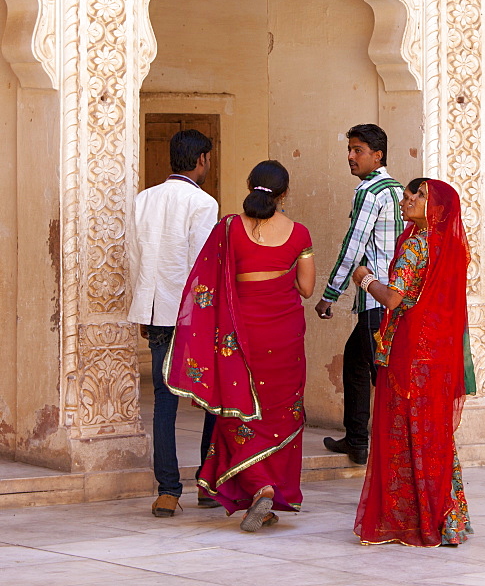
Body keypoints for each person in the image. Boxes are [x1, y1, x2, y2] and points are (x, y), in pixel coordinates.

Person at [165, 160, 315, 532]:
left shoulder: (229, 227)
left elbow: (210, 281)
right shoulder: (299, 233)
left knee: (237, 409)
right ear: (285, 193)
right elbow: (307, 288)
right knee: (279, 413)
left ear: (250, 185)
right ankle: (271, 489)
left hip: (239, 335)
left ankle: (258, 487)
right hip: (284, 338)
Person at [352, 178, 476, 547]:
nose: (406, 199)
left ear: (435, 207)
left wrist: (364, 278)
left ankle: (412, 520)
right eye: (408, 193)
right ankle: (446, 521)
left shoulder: (414, 245)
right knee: (434, 434)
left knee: (402, 433)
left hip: (408, 353)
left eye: (417, 195)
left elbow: (393, 299)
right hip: (437, 353)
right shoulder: (448, 246)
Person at [127, 129, 219, 518]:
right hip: (192, 316)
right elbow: (202, 264)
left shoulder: (144, 199)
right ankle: (206, 482)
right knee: (211, 400)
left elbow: (133, 256)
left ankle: (168, 490)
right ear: (201, 160)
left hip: (157, 312)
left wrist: (144, 310)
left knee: (164, 403)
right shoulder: (203, 203)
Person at [314, 124, 403, 466]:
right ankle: (356, 440)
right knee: (356, 362)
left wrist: (330, 294)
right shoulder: (398, 190)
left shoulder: (369, 191)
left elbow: (352, 247)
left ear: (377, 155)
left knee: (381, 375)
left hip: (375, 298)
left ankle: (386, 448)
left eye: (358, 150)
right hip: (392, 296)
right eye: (349, 150)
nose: (351, 157)